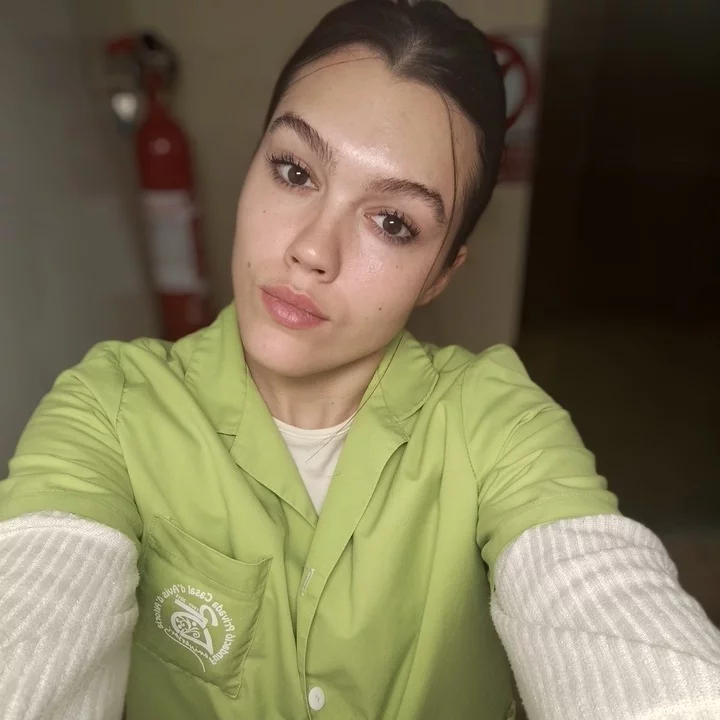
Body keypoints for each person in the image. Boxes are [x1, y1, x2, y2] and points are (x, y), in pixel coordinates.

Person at [1, 1, 719, 718]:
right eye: (294, 171)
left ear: (440, 273)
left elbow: (602, 601)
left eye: (393, 223)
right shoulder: (110, 410)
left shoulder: (498, 426)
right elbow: (35, 610)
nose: (313, 250)